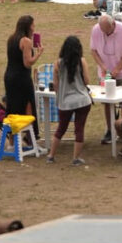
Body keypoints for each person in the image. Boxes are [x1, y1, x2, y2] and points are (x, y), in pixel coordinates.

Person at [46, 35, 93, 166]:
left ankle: (51, 155)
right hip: (82, 100)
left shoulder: (58, 63)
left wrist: (60, 97)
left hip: (65, 101)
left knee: (61, 128)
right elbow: (87, 81)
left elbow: (55, 85)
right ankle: (76, 158)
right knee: (79, 129)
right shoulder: (82, 61)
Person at [90, 14, 122, 142]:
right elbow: (93, 51)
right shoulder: (96, 30)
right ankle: (110, 130)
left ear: (113, 24)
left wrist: (118, 68)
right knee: (107, 102)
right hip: (106, 74)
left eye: (107, 31)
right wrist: (102, 66)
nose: (105, 33)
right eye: (103, 31)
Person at [5, 14, 42, 126]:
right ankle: (29, 132)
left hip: (9, 76)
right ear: (28, 27)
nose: (34, 28)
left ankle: (13, 133)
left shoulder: (11, 39)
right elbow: (27, 63)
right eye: (33, 25)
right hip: (21, 78)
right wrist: (38, 54)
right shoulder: (26, 41)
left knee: (13, 105)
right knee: (27, 104)